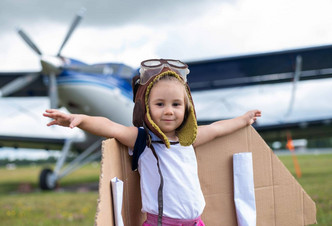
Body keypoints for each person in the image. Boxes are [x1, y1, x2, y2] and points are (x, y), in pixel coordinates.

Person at [43, 59, 261, 226]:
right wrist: (79, 119)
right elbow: (110, 126)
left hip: (197, 222)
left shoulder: (188, 140)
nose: (168, 110)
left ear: (186, 109)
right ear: (146, 107)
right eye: (160, 104)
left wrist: (243, 119)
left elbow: (216, 129)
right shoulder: (143, 140)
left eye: (176, 104)